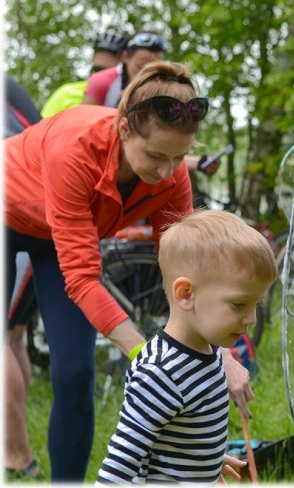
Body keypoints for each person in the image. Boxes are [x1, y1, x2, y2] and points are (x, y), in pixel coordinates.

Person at [4, 61, 253, 481]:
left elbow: (186, 268)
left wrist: (220, 352)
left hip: (54, 237)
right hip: (9, 215)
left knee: (77, 373)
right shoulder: (75, 148)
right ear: (123, 130)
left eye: (178, 158)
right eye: (155, 155)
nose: (165, 173)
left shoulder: (171, 177)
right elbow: (84, 279)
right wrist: (149, 357)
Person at [96, 210, 277, 484]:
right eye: (240, 304)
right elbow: (121, 462)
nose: (251, 319)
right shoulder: (161, 374)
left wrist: (206, 462)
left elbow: (181, 435)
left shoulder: (209, 348)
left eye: (256, 305)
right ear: (186, 294)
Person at [82, 30, 219, 176]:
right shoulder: (101, 82)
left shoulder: (163, 91)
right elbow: (84, 134)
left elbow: (161, 151)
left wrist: (197, 161)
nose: (149, 74)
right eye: (141, 67)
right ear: (125, 57)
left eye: (155, 66)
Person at [3, 76, 44, 481]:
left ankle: (17, 457)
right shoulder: (9, 86)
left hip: (19, 220)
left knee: (6, 339)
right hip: (33, 231)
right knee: (12, 337)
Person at [41, 30, 128, 118]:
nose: (100, 78)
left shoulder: (130, 102)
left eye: (108, 74)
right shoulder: (66, 93)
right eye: (97, 70)